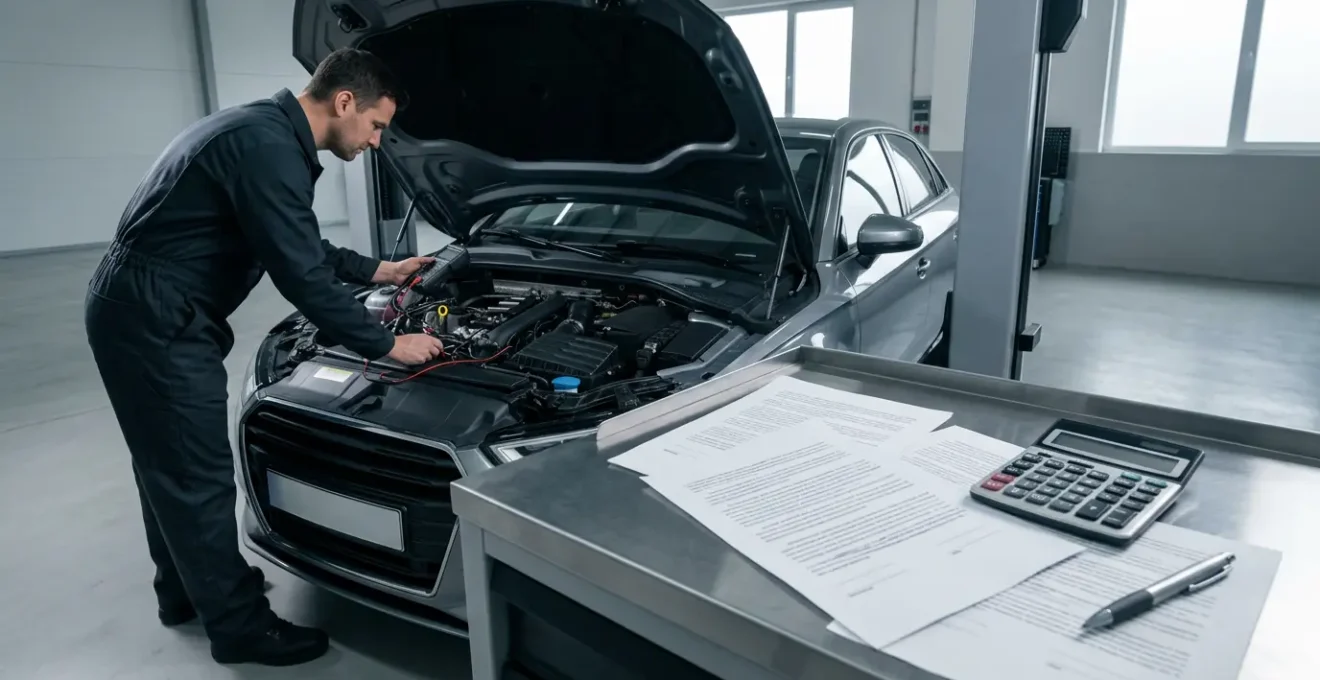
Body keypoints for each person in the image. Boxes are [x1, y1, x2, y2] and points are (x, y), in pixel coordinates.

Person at [84, 48, 444, 666]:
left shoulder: (262, 132)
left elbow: (294, 239)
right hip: (157, 317)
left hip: (140, 304)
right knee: (195, 472)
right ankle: (240, 629)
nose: (378, 143)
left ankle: (185, 594)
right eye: (378, 126)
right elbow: (301, 274)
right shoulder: (268, 148)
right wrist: (386, 343)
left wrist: (380, 268)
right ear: (345, 102)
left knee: (165, 464)